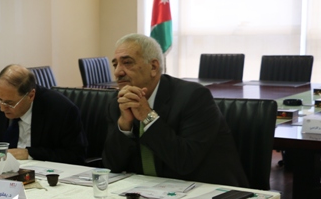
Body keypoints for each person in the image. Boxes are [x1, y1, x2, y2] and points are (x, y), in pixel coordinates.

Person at [102, 33, 248, 187]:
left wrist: (147, 116)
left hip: (210, 190)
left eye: (127, 63)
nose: (118, 72)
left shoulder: (194, 97)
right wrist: (124, 125)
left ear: (153, 67)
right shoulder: (118, 103)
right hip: (151, 190)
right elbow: (112, 165)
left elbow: (184, 161)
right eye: (115, 65)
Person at [0, 64, 86, 165]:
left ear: (30, 96)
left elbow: (75, 156)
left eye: (9, 103)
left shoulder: (61, 110)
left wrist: (30, 153)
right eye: (0, 99)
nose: (2, 108)